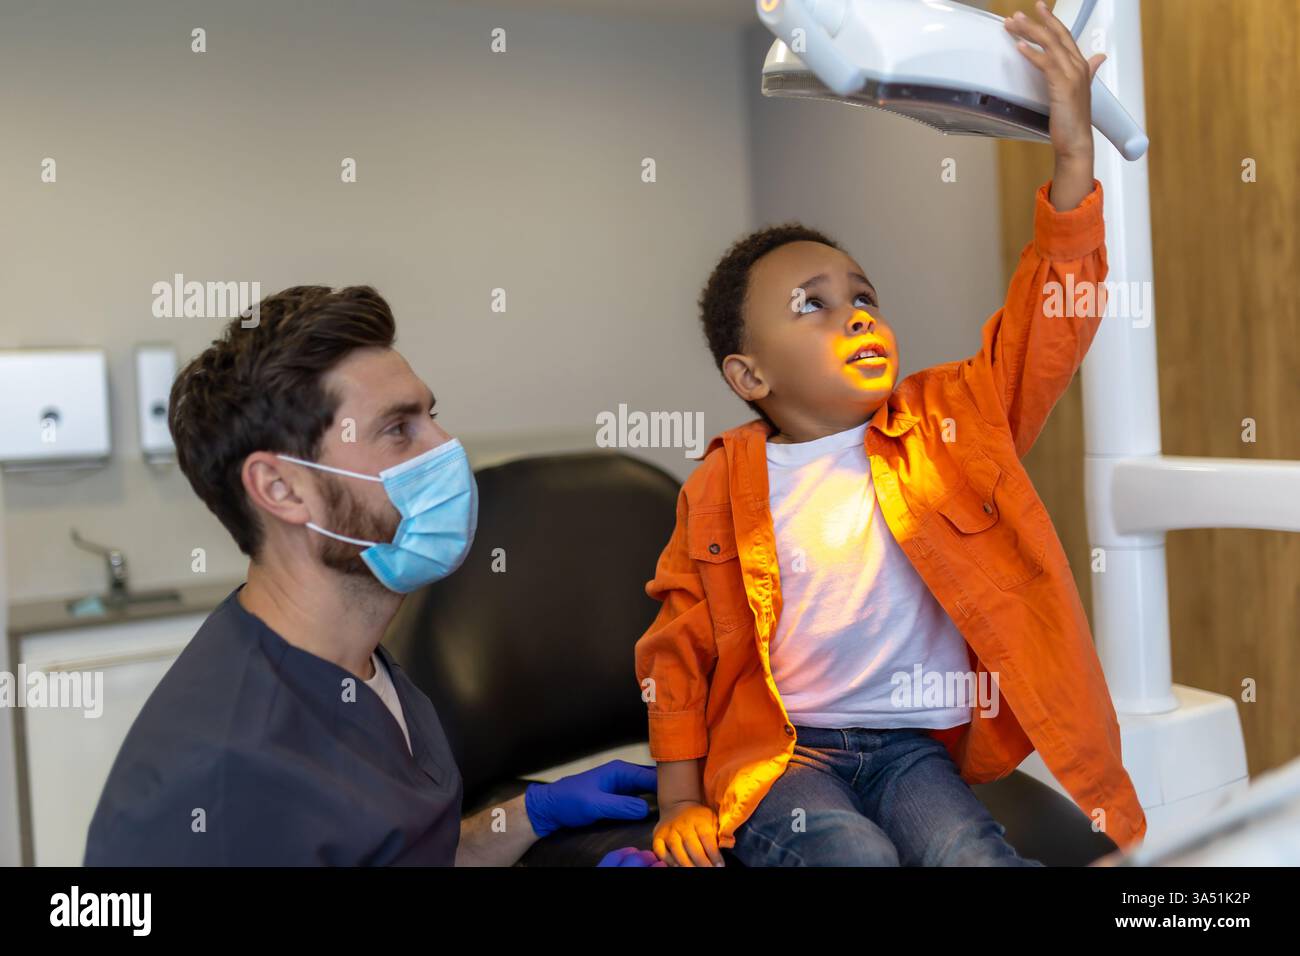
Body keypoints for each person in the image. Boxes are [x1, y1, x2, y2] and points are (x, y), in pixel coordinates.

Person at [636, 3, 1146, 867]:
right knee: (853, 857)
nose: (855, 315)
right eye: (814, 306)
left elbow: (1046, 322)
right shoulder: (721, 487)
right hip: (782, 754)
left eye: (862, 296)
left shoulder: (954, 423)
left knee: (972, 857)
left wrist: (1070, 153)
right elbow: (677, 648)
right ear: (750, 377)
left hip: (911, 748)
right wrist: (680, 802)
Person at [85, 285, 659, 866]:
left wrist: (524, 816)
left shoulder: (355, 663)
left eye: (430, 417)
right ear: (281, 489)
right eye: (398, 430)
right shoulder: (224, 778)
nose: (446, 448)